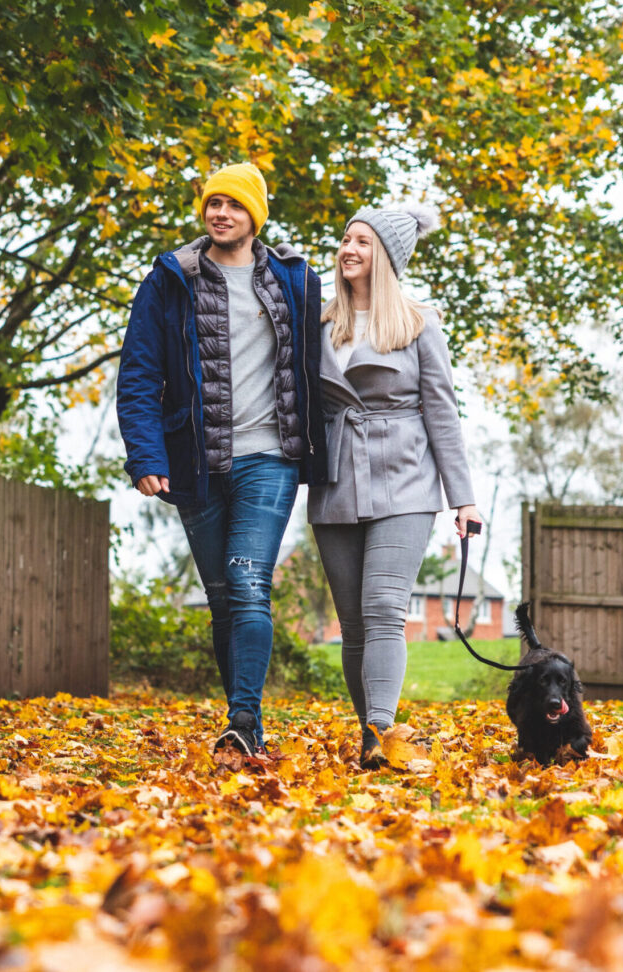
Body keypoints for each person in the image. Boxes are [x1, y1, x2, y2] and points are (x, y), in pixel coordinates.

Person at [116, 163, 327, 757]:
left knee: (247, 581)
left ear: (255, 216)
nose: (221, 214)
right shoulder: (170, 279)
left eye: (234, 205)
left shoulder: (293, 277)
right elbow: (139, 375)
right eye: (213, 204)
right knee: (221, 599)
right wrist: (146, 456)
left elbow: (322, 362)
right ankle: (247, 726)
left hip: (271, 457)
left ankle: (242, 715)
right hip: (196, 463)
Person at [307, 204, 481, 769]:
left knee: (383, 607)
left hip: (404, 477)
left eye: (362, 240)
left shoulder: (417, 322)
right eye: (344, 238)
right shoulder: (320, 321)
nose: (348, 249)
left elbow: (443, 412)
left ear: (385, 256)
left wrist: (464, 498)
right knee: (352, 623)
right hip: (336, 478)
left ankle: (383, 734)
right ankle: (369, 733)